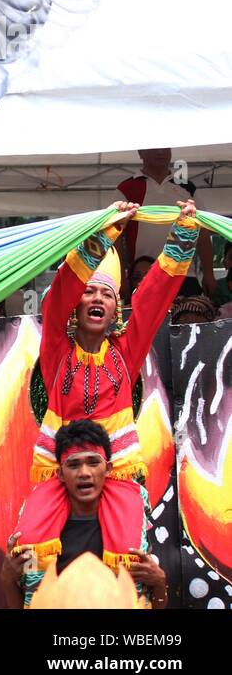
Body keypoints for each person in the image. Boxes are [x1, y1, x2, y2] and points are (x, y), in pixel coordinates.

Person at [14, 199, 198, 595]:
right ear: (77, 305)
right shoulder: (56, 351)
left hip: (116, 470)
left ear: (116, 308)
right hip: (61, 467)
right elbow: (57, 294)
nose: (97, 299)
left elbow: (152, 300)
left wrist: (182, 233)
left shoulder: (124, 351)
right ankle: (36, 602)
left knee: (130, 551)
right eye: (89, 292)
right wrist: (106, 234)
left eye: (107, 294)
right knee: (30, 543)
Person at [3, 420, 167, 608]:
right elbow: (29, 599)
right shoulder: (35, 526)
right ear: (61, 474)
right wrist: (7, 579)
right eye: (73, 465)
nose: (84, 473)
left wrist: (160, 582)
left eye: (93, 462)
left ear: (107, 469)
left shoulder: (133, 514)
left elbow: (153, 601)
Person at [117, 149, 215, 296]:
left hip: (185, 276)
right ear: (140, 152)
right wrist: (120, 278)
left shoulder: (188, 187)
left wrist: (208, 273)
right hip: (144, 277)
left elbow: (203, 231)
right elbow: (115, 235)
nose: (160, 152)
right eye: (154, 147)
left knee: (190, 318)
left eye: (165, 147)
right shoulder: (126, 188)